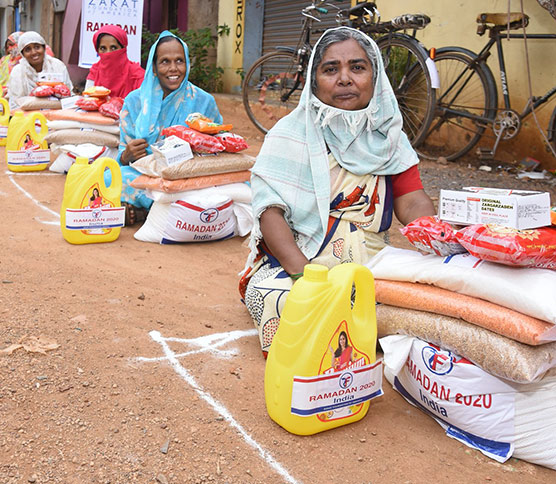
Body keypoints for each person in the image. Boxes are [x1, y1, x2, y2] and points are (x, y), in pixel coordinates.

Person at [240, 27, 435, 356]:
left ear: (376, 77)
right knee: (277, 298)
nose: (345, 79)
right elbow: (269, 211)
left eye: (357, 68)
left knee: (426, 307)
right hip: (302, 261)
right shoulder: (289, 135)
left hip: (373, 264)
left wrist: (439, 240)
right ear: (314, 81)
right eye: (331, 69)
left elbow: (412, 199)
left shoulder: (390, 138)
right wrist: (305, 276)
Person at [118, 30, 223, 225]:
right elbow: (123, 157)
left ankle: (148, 213)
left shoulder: (204, 101)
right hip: (148, 178)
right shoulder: (135, 102)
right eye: (165, 61)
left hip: (190, 180)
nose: (173, 68)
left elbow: (220, 146)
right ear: (154, 67)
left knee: (225, 187)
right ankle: (173, 212)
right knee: (111, 178)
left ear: (187, 64)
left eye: (179, 61)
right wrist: (127, 155)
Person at [6, 31, 73, 111]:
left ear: (44, 48)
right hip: (28, 118)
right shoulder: (18, 72)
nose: (34, 52)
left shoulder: (57, 65)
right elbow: (15, 103)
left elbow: (69, 96)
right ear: (22, 54)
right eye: (28, 49)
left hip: (57, 117)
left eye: (37, 47)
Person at [85, 25, 145, 99]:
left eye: (113, 48)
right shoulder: (95, 71)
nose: (108, 53)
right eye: (103, 48)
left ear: (123, 48)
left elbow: (143, 104)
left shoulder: (137, 75)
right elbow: (87, 99)